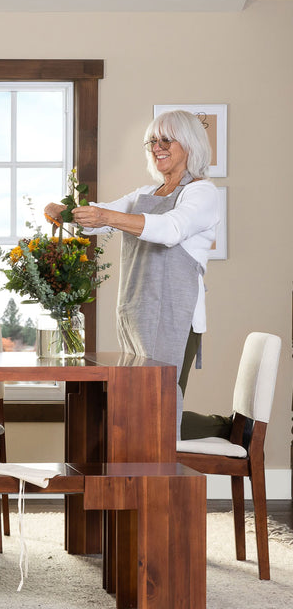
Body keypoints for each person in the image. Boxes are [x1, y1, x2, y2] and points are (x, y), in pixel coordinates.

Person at [44, 109, 219, 438]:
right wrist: (65, 213)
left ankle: (227, 427)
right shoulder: (145, 194)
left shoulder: (202, 192)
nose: (157, 146)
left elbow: (170, 229)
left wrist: (105, 217)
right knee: (140, 405)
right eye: (153, 141)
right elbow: (98, 214)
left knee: (158, 407)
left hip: (173, 317)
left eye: (166, 139)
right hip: (137, 312)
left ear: (191, 144)